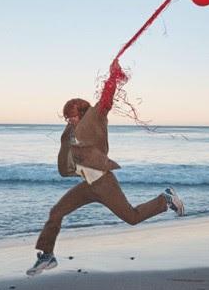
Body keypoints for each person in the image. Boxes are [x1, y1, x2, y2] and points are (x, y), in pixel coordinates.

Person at [26, 59, 184, 276]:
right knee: (56, 212)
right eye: (66, 118)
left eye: (72, 116)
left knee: (132, 217)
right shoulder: (71, 132)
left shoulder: (94, 117)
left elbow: (106, 101)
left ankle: (165, 199)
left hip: (103, 182)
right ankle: (47, 255)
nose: (69, 121)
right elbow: (69, 154)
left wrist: (112, 77)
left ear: (81, 113)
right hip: (88, 185)